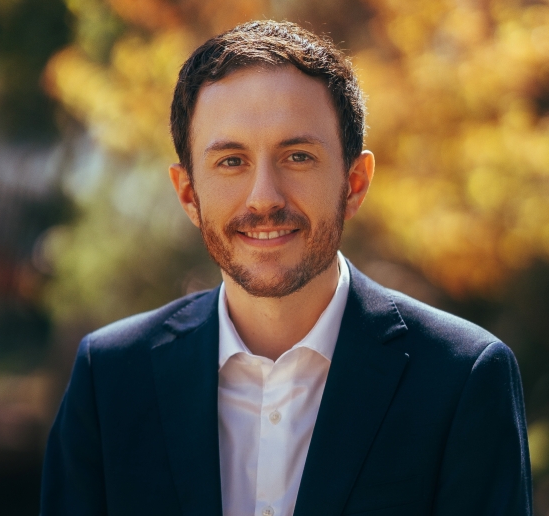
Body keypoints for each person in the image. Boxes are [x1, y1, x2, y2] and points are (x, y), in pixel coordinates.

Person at [40, 20, 532, 516]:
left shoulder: (463, 379)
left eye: (297, 156)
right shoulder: (109, 380)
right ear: (188, 194)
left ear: (354, 183)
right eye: (231, 161)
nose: (264, 198)